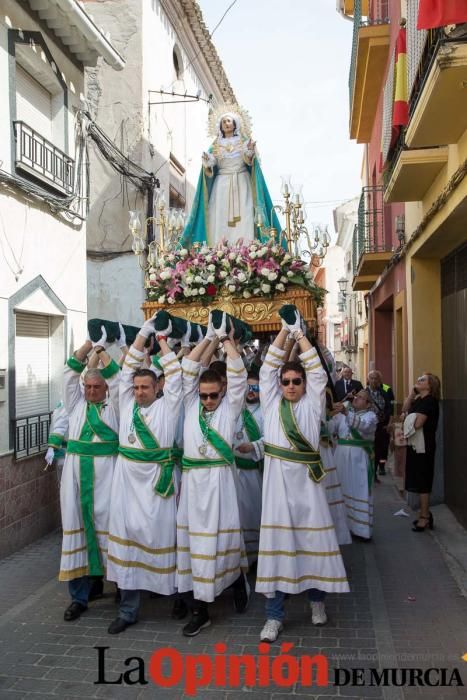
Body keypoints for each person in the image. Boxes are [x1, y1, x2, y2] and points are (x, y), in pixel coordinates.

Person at [256, 311, 349, 643]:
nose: (291, 386)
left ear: (304, 385)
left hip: (308, 486)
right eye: (286, 382)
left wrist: (301, 334)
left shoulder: (312, 404)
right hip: (278, 488)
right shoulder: (270, 404)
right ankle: (274, 617)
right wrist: (284, 331)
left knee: (311, 544)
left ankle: (317, 603)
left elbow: (317, 370)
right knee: (278, 548)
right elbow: (267, 369)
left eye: (296, 382)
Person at [106, 314, 183, 634]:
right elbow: (125, 372)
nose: (138, 391)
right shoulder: (127, 405)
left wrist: (162, 340)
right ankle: (128, 609)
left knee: (168, 539)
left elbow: (177, 376)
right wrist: (144, 334)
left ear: (156, 387)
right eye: (136, 387)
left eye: (145, 386)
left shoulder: (168, 407)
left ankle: (179, 597)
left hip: (159, 483)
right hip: (127, 485)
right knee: (128, 545)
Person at [177, 312, 249, 636]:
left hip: (220, 484)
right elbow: (188, 369)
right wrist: (207, 336)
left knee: (222, 543)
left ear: (223, 392)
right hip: (193, 485)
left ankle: (234, 582)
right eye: (203, 395)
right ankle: (199, 608)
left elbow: (239, 373)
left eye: (212, 395)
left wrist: (226, 341)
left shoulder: (231, 409)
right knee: (195, 546)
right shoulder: (191, 404)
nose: (207, 400)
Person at [59, 328, 120, 621]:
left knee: (112, 531)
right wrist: (89, 344)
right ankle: (79, 597)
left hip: (108, 479)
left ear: (105, 388)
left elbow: (120, 380)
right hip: (74, 480)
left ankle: (121, 588)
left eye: (97, 388)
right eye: (88, 387)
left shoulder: (115, 407)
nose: (92, 392)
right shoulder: (75, 406)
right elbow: (68, 375)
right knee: (77, 534)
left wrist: (103, 348)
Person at [180, 105, 281, 248]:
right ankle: (219, 250)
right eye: (223, 122)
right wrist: (207, 162)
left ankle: (248, 249)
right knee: (219, 216)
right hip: (222, 184)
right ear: (220, 126)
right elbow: (212, 163)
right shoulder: (215, 145)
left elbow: (248, 161)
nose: (226, 124)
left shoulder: (244, 141)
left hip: (241, 182)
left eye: (229, 121)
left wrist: (250, 153)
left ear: (235, 124)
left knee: (245, 216)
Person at [329, 391, 378, 540]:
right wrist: (328, 413)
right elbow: (331, 429)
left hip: (359, 460)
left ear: (368, 404)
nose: (356, 398)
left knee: (358, 489)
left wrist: (345, 413)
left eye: (361, 397)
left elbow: (364, 426)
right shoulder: (343, 414)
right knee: (341, 489)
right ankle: (342, 527)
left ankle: (361, 529)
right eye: (356, 396)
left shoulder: (371, 417)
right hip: (340, 457)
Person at [401, 373, 440, 532]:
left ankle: (424, 517)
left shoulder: (430, 401)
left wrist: (407, 418)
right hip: (415, 445)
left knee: (423, 481)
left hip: (424, 446)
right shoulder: (418, 400)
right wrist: (411, 395)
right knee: (417, 479)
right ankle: (424, 514)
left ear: (430, 385)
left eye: (422, 379)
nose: (418, 380)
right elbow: (403, 411)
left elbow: (416, 424)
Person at [233, 369, 264, 566]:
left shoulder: (266, 411)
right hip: (234, 472)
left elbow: (273, 438)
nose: (251, 391)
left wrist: (253, 446)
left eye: (255, 387)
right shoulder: (235, 409)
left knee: (253, 512)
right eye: (248, 387)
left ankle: (254, 557)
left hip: (255, 473)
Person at [367, 370, 395, 478]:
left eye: (376, 378)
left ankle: (380, 467)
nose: (374, 380)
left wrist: (390, 422)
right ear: (368, 380)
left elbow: (390, 408)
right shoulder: (364, 393)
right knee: (370, 448)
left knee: (382, 448)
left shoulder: (385, 391)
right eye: (372, 378)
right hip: (369, 426)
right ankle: (370, 471)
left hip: (382, 425)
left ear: (379, 380)